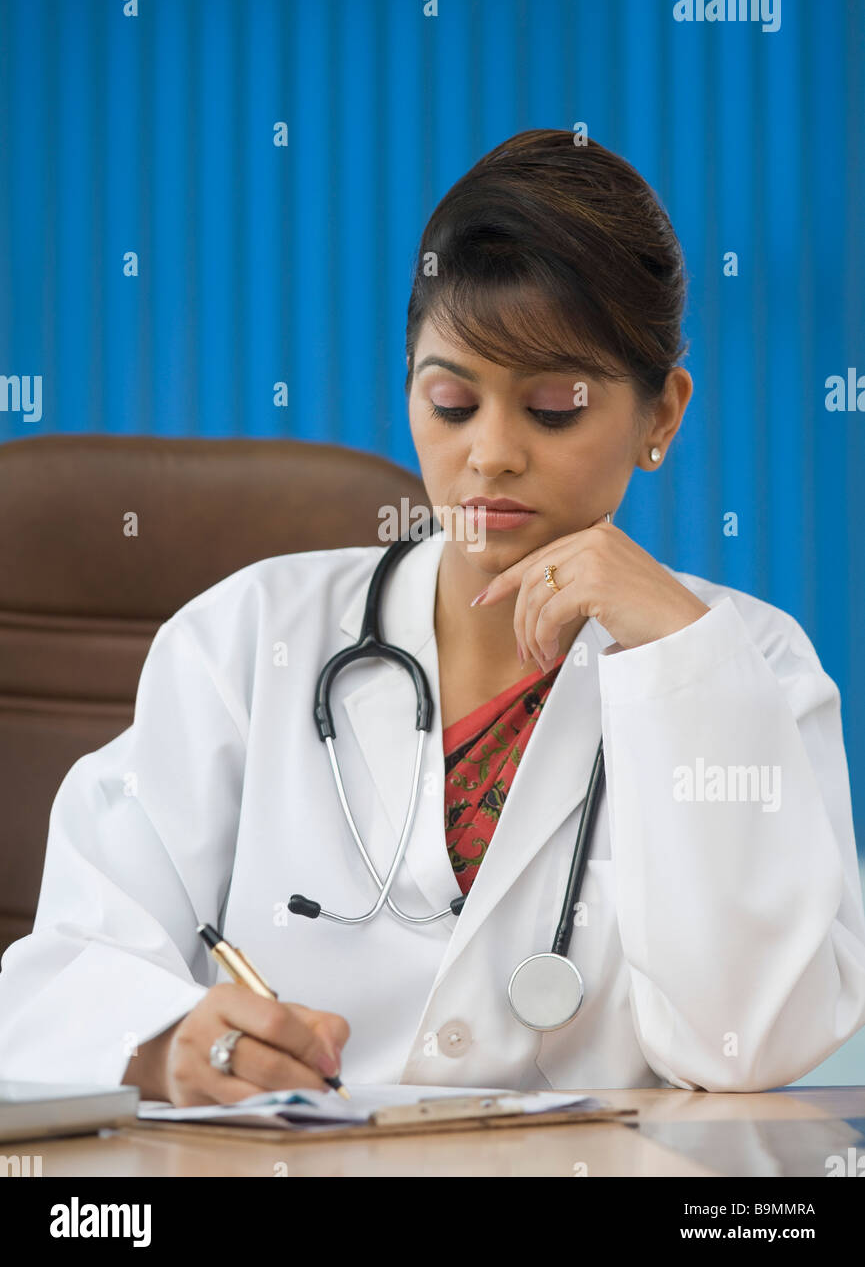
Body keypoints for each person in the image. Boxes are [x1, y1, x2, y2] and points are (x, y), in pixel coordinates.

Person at [1, 129, 864, 1105]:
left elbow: (751, 1046)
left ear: (660, 414)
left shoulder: (750, 663)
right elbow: (60, 972)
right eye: (451, 401)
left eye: (551, 409)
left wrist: (678, 657)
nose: (490, 454)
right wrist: (161, 1044)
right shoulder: (243, 638)